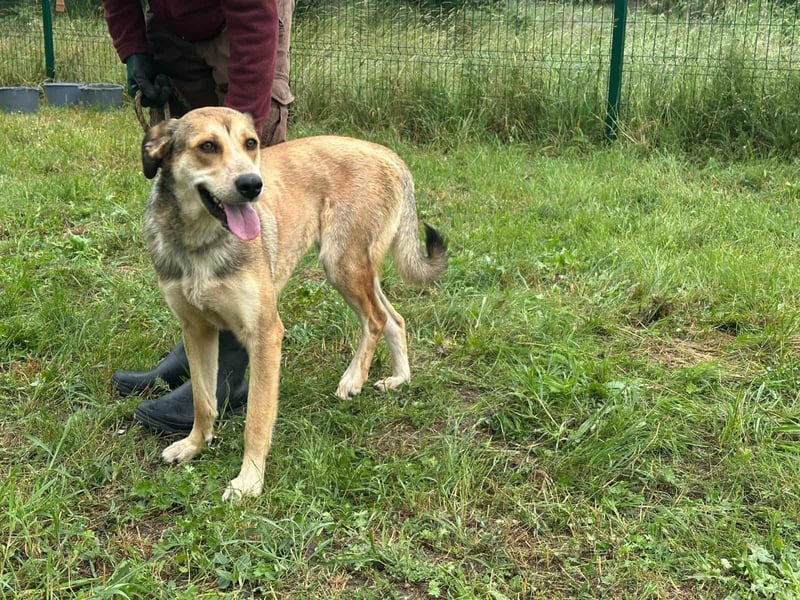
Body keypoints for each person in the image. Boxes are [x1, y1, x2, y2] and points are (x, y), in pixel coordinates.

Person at [102, 0, 295, 434]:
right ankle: (195, 339)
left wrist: (241, 136)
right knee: (198, 142)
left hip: (244, 22)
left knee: (230, 156)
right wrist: (136, 49)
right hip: (174, 29)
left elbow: (253, 16)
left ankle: (229, 367)